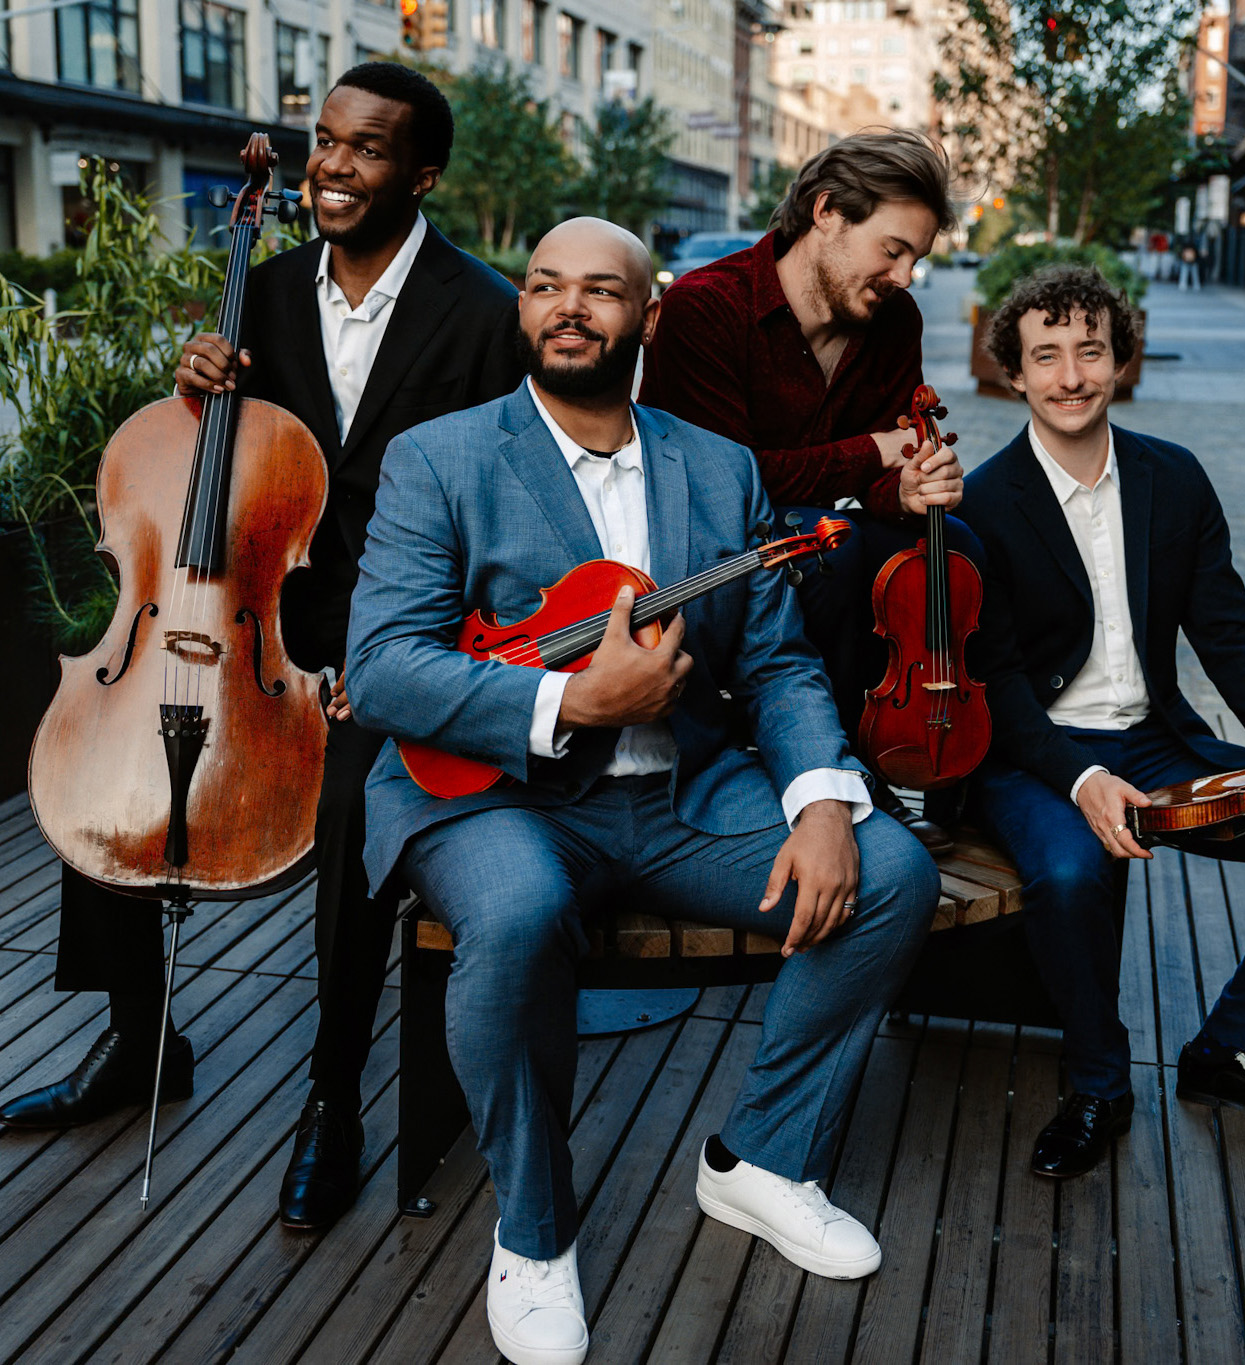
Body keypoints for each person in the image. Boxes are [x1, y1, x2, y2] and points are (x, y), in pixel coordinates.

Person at [344, 217, 940, 1365]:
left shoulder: (716, 466)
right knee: (517, 913)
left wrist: (823, 801)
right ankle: (534, 1233)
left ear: (649, 317)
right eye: (544, 286)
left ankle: (762, 1159)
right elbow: (381, 669)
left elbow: (777, 662)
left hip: (683, 795)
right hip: (495, 794)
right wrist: (569, 703)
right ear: (524, 307)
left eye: (600, 290)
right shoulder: (442, 457)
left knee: (891, 876)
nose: (568, 307)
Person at [0, 62, 524, 1233]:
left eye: (368, 149)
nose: (332, 165)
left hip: (392, 640)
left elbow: (500, 515)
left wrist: (410, 660)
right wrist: (196, 388)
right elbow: (220, 477)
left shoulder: (485, 312)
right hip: (254, 628)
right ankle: (141, 1039)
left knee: (352, 812)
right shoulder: (268, 290)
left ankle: (332, 1097)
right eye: (325, 140)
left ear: (423, 174)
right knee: (108, 761)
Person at [959, 264, 1245, 1180]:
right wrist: (1078, 780)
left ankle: (1231, 1048)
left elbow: (1231, 639)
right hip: (1036, 753)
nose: (1071, 376)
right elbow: (996, 684)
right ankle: (1100, 1084)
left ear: (1121, 360)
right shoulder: (981, 504)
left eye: (1090, 351)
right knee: (1071, 872)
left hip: (1154, 739)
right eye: (1046, 356)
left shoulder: (1172, 478)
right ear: (1012, 374)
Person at [638, 131, 973, 852]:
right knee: (835, 552)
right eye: (893, 250)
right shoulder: (706, 307)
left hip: (817, 535)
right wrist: (873, 453)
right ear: (826, 213)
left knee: (954, 543)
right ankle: (836, 766)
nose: (905, 276)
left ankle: (941, 759)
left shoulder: (895, 322)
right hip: (705, 556)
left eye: (916, 259)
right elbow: (724, 482)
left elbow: (883, 474)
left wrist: (908, 487)